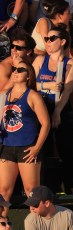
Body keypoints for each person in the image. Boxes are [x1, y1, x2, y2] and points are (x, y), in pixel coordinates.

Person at [33, 25, 73, 193]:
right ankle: (40, 189)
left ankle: (72, 188)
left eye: (52, 38)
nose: (48, 42)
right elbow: (29, 85)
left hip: (58, 107)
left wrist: (57, 111)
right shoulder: (40, 60)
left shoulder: (70, 63)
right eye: (46, 38)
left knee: (65, 147)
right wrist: (47, 84)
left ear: (63, 41)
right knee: (41, 149)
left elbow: (67, 90)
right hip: (39, 108)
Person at [0, 60, 50, 204]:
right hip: (6, 146)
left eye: (20, 70)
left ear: (29, 76)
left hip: (27, 147)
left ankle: (37, 224)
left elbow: (46, 124)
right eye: (14, 69)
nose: (15, 72)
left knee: (31, 191)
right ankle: (2, 224)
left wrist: (37, 148)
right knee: (3, 191)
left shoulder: (33, 95)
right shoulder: (4, 95)